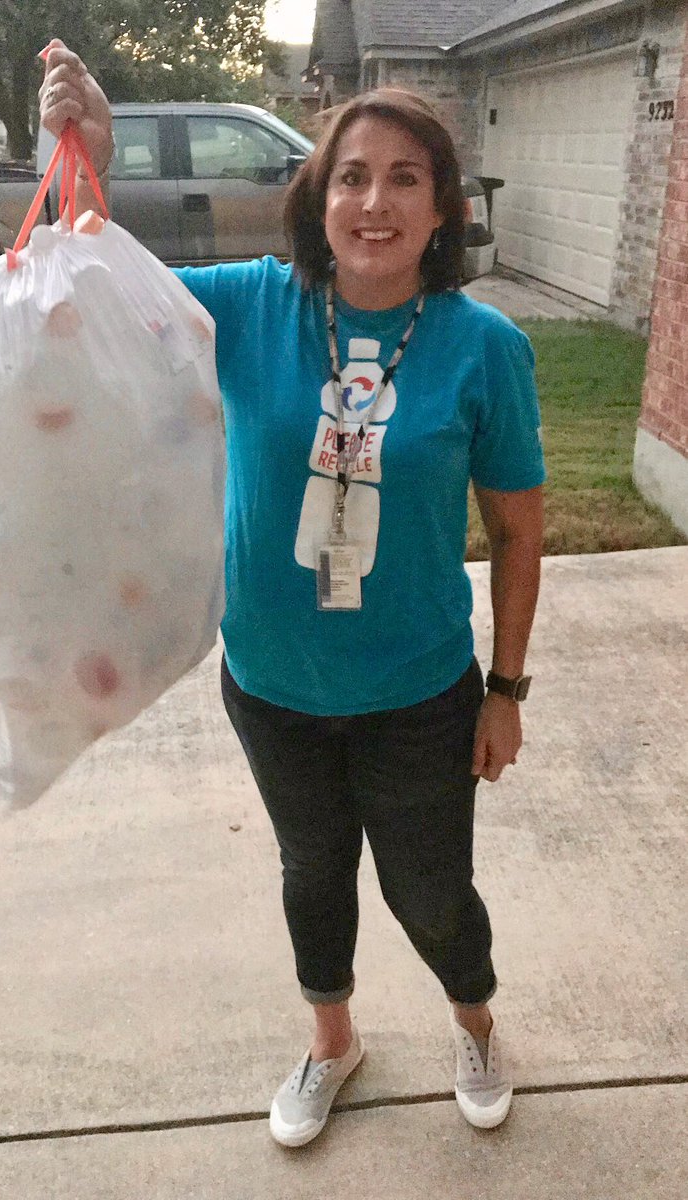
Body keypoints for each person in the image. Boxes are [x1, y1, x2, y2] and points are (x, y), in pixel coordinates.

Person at [38, 39, 545, 1147]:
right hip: (271, 683)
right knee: (312, 874)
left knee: (432, 891)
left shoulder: (483, 348)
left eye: (406, 179)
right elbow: (91, 286)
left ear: (442, 209)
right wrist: (92, 163)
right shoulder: (249, 310)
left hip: (418, 691)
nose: (376, 201)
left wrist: (505, 686)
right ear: (319, 200)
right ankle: (332, 1044)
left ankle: (474, 1020)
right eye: (353, 176)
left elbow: (516, 528)